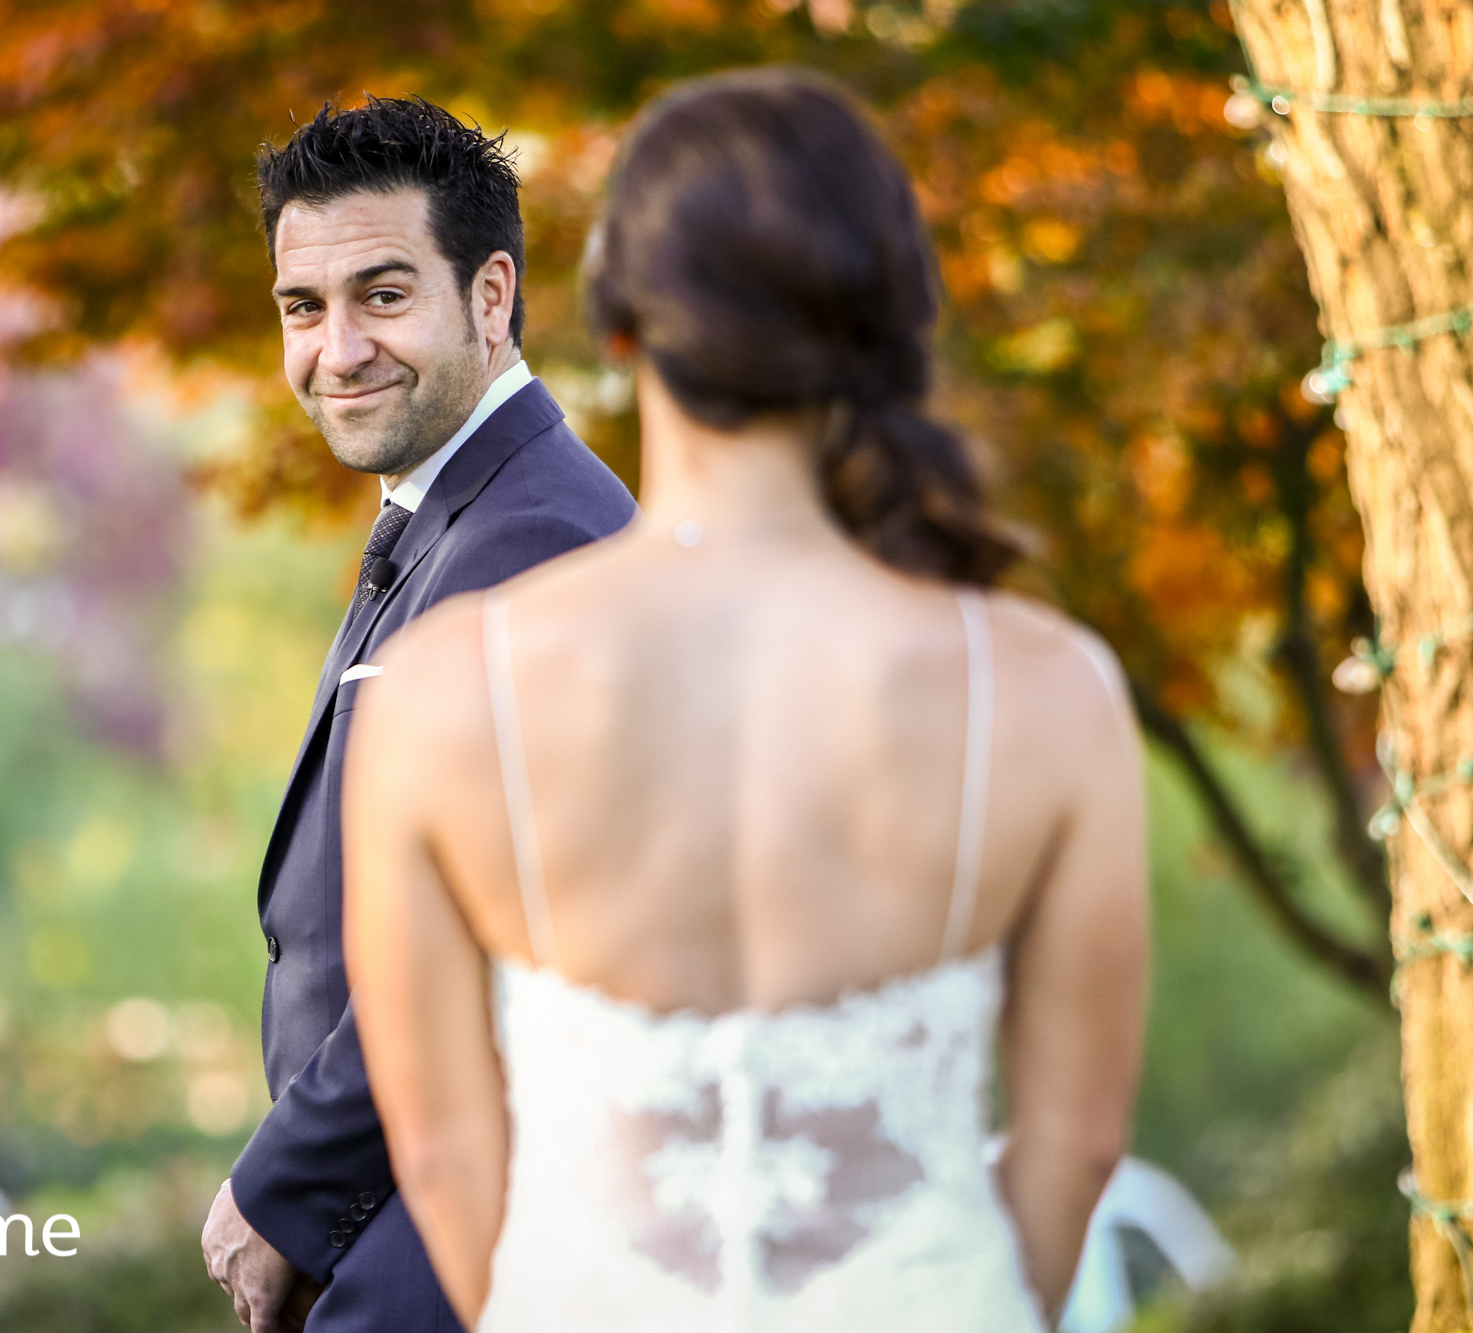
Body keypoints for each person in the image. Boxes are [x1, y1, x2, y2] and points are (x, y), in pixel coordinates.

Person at [343, 68, 1149, 1331]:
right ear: (885, 321)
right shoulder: (1045, 692)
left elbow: (442, 1161)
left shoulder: (448, 693)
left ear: (615, 325)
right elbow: (1074, 1149)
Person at [200, 97, 638, 1333]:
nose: (335, 349)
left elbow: (474, 946)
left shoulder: (534, 536)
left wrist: (282, 1190)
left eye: (381, 295)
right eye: (302, 308)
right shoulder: (451, 517)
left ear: (490, 295)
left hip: (456, 1260)